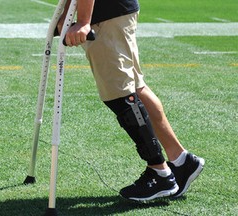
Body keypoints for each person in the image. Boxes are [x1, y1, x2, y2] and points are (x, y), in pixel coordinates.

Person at [56, 0, 205, 201]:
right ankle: (181, 160)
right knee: (135, 89)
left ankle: (160, 173)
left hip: (107, 15)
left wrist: (83, 20)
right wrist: (67, 15)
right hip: (116, 12)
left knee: (121, 96)